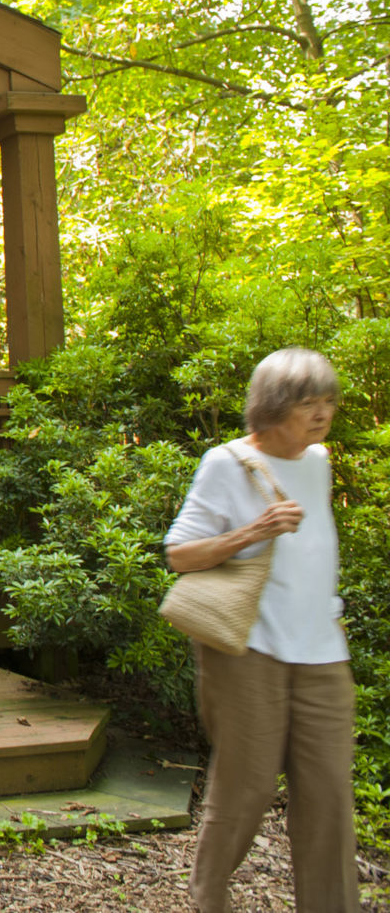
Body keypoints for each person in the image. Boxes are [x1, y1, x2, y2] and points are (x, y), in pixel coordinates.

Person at [165, 347, 353, 912]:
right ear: (272, 407)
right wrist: (253, 531)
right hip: (249, 650)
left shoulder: (318, 462)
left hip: (322, 652)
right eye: (306, 403)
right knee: (246, 792)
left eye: (327, 401)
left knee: (328, 799)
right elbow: (179, 554)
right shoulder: (225, 463)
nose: (321, 414)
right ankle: (209, 900)